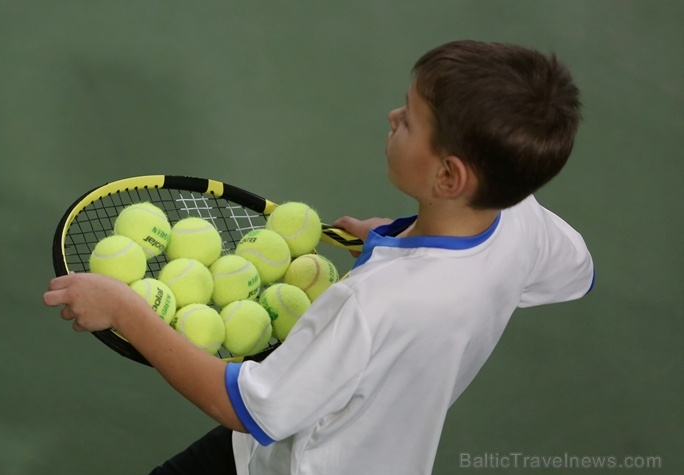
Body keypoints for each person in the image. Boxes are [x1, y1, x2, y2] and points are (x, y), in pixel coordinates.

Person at [44, 40, 595, 475]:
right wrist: (397, 234)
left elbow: (246, 408)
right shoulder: (521, 216)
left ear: (449, 176)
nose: (392, 115)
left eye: (410, 120)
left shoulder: (370, 303)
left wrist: (125, 310)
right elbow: (575, 271)